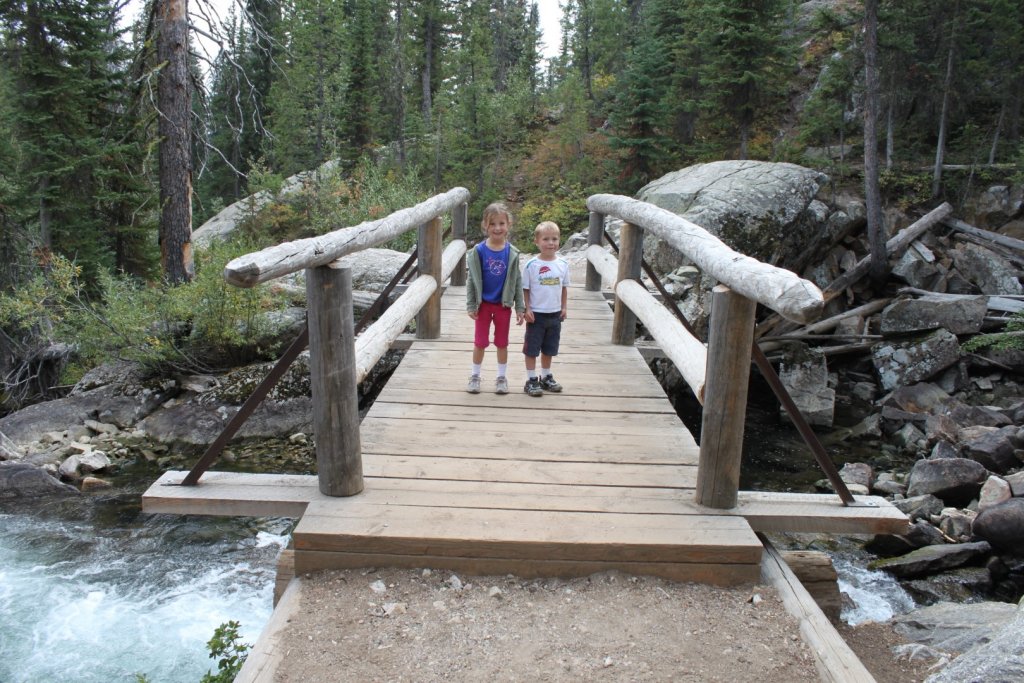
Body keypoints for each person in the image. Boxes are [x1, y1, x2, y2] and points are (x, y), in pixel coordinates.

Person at [465, 202, 525, 394]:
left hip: (503, 305)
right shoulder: (479, 252)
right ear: (485, 226)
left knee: (502, 342)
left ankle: (501, 377)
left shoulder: (512, 253)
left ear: (508, 225)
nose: (497, 228)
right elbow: (471, 280)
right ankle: (475, 375)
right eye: (493, 224)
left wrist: (520, 308)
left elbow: (517, 281)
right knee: (480, 342)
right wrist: (471, 304)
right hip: (483, 305)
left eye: (501, 223)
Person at [521, 221, 570, 397]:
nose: (551, 243)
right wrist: (527, 309)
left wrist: (564, 307)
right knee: (532, 348)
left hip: (555, 313)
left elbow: (564, 287)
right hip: (537, 314)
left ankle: (546, 376)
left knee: (549, 348)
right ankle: (531, 379)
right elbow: (525, 289)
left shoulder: (563, 264)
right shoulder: (531, 265)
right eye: (546, 239)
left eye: (554, 239)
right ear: (537, 241)